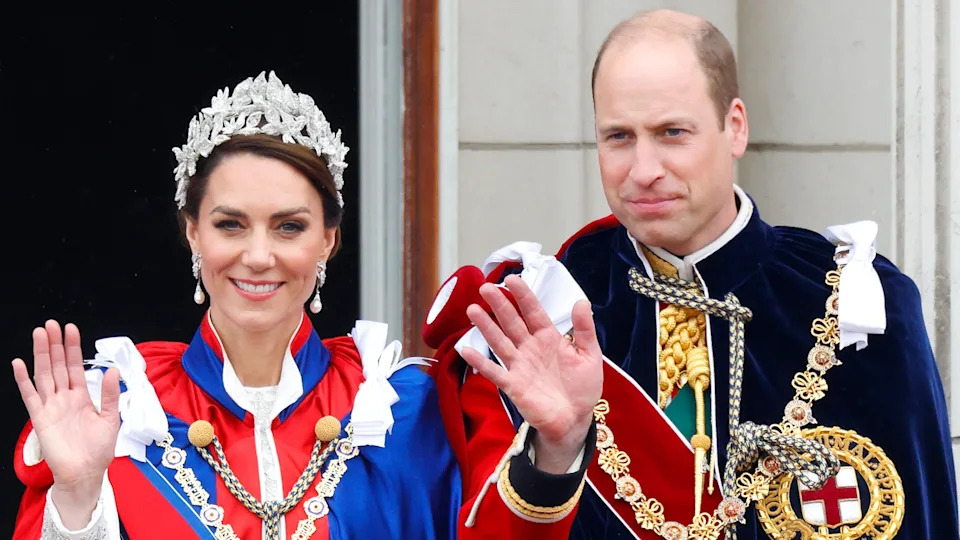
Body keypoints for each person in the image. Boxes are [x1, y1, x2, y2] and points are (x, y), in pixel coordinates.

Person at [422, 9, 958, 539]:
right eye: (619, 137)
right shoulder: (543, 312)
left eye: (672, 132)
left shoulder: (855, 305)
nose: (644, 170)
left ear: (735, 127)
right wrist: (555, 451)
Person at [10, 71, 597, 539]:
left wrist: (558, 445)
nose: (259, 256)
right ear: (193, 234)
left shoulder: (402, 413)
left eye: (289, 227)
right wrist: (80, 495)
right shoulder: (117, 416)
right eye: (230, 225)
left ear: (328, 241)